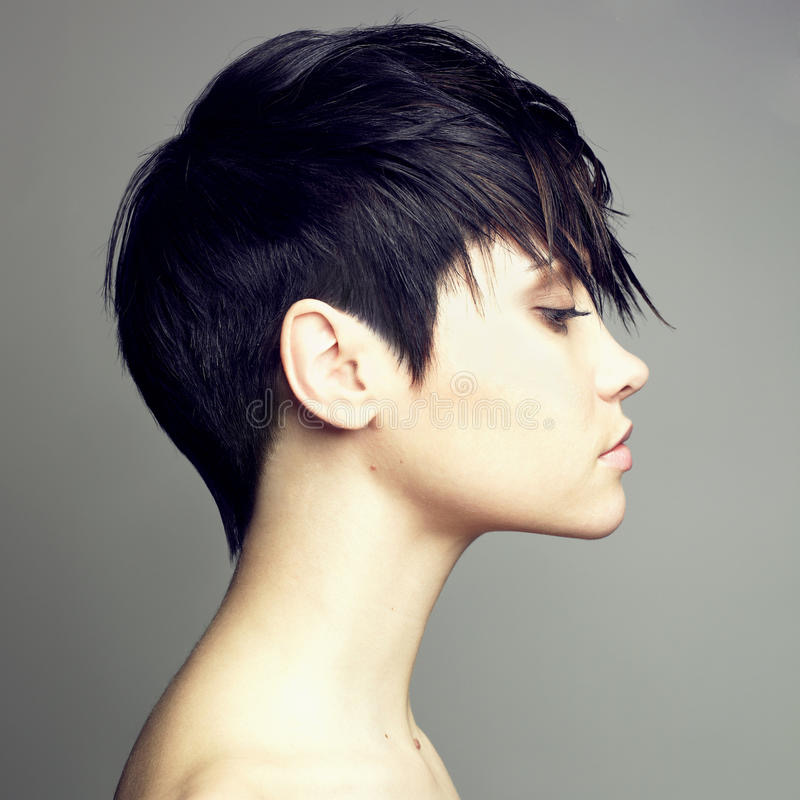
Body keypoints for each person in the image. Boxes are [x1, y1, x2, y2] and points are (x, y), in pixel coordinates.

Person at [103, 19, 669, 799]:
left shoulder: (353, 747)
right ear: (338, 368)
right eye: (555, 313)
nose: (627, 369)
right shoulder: (287, 784)